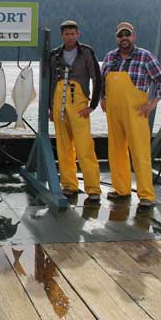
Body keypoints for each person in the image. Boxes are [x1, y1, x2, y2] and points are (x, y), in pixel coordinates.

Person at [100, 21, 161, 207]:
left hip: (136, 112)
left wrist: (153, 102)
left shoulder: (144, 56)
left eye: (127, 35)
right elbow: (101, 81)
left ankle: (146, 195)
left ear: (134, 36)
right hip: (113, 112)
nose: (124, 39)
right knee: (116, 152)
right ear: (117, 38)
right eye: (120, 35)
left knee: (140, 153)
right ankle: (121, 190)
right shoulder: (109, 57)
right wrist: (102, 98)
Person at [49, 20, 103, 201]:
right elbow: (50, 83)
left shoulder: (87, 52)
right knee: (63, 147)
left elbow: (97, 78)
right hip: (59, 104)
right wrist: (50, 107)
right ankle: (69, 185)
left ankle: (93, 188)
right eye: (66, 34)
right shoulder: (54, 54)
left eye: (73, 34)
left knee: (84, 146)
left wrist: (93, 105)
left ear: (78, 35)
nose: (70, 37)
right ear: (62, 36)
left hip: (79, 103)